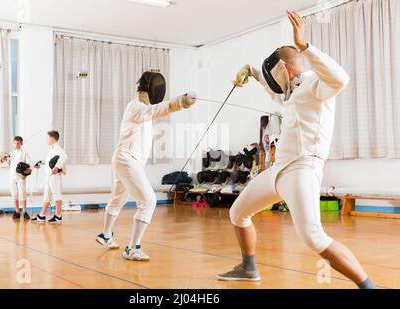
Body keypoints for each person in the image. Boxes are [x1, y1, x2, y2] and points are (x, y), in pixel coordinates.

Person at [216, 10, 376, 289]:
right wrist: (251, 72)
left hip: (303, 168)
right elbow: (274, 91)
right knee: (238, 213)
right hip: (278, 171)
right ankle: (248, 267)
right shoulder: (291, 92)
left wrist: (305, 47)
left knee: (313, 237)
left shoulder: (316, 83)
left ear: (286, 70)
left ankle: (368, 286)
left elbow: (341, 79)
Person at [96, 71, 196, 261]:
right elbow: (155, 110)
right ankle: (133, 248)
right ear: (149, 89)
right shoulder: (137, 107)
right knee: (149, 201)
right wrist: (180, 102)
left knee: (118, 200)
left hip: (124, 159)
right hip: (127, 159)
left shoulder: (140, 107)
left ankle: (105, 234)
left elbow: (153, 111)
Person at [31, 130, 67, 224]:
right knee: (46, 195)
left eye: (47, 138)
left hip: (54, 176)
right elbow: (50, 161)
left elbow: (63, 157)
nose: (46, 140)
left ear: (52, 138)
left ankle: (58, 215)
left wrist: (57, 167)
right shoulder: (52, 149)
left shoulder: (58, 149)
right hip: (49, 176)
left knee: (57, 194)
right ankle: (42, 215)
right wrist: (41, 162)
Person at [8, 136, 32, 220]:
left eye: (18, 143)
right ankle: (17, 212)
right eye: (15, 143)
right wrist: (5, 158)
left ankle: (25, 211)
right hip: (12, 177)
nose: (16, 145)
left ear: (21, 144)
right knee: (14, 195)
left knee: (23, 194)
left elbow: (30, 165)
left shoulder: (24, 153)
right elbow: (8, 163)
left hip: (21, 177)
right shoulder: (11, 153)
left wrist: (27, 171)